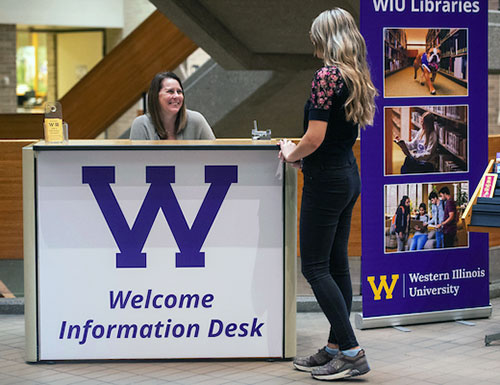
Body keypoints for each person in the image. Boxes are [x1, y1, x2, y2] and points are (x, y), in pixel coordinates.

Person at [278, 8, 376, 381]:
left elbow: (315, 137)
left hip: (327, 182)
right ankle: (335, 346)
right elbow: (336, 137)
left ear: (326, 37)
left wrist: (291, 153)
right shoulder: (355, 76)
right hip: (347, 176)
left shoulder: (326, 76)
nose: (312, 42)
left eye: (315, 35)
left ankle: (351, 351)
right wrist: (308, 159)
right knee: (336, 264)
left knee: (314, 267)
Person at [130, 72, 215, 140]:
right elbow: (135, 160)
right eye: (170, 91)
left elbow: (215, 155)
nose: (176, 96)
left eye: (179, 92)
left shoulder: (197, 120)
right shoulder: (141, 124)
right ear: (155, 96)